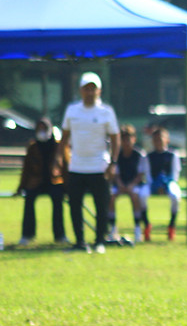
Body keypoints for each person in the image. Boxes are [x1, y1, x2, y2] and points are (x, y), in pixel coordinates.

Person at [59, 71, 119, 254]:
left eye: (93, 89)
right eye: (86, 89)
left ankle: (99, 241)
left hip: (98, 166)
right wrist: (64, 161)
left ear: (99, 91)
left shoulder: (106, 112)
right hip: (77, 165)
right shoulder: (72, 110)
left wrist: (113, 163)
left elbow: (115, 138)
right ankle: (79, 242)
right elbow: (64, 139)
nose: (90, 92)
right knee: (75, 205)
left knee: (101, 205)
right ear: (80, 90)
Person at [16, 117, 69, 246]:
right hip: (36, 181)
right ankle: (27, 235)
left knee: (58, 200)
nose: (41, 132)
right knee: (29, 199)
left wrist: (68, 186)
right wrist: (21, 187)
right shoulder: (32, 147)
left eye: (44, 129)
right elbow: (26, 169)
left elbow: (66, 167)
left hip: (54, 181)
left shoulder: (58, 146)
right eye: (39, 129)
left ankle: (60, 235)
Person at [109, 124, 150, 244]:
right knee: (111, 196)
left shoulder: (139, 155)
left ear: (134, 139)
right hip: (120, 184)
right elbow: (116, 173)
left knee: (135, 195)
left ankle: (137, 228)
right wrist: (120, 184)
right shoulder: (118, 155)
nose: (126, 142)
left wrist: (131, 185)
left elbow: (140, 174)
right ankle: (112, 229)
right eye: (123, 139)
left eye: (128, 138)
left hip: (135, 185)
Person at [146, 127, 182, 242]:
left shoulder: (172, 155)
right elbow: (147, 175)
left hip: (169, 182)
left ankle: (171, 225)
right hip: (153, 183)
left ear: (167, 140)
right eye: (155, 139)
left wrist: (165, 185)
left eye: (160, 139)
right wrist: (155, 186)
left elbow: (175, 174)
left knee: (175, 196)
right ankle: (146, 225)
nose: (158, 142)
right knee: (141, 195)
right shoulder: (148, 156)